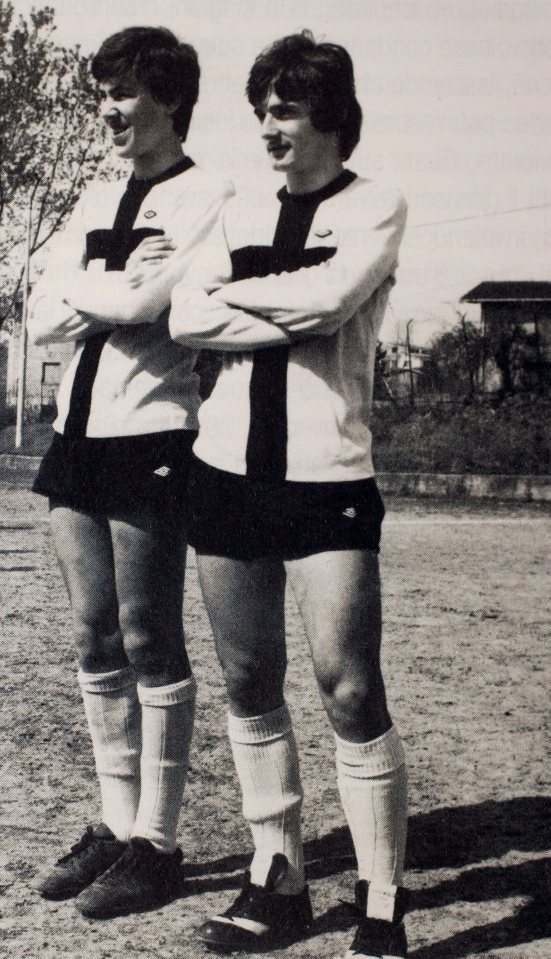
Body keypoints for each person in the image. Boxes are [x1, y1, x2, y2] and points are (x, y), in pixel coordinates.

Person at [170, 32, 409, 959]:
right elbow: (185, 313)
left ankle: (381, 899)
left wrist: (245, 301)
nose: (270, 129)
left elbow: (332, 303)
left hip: (326, 481)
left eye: (288, 111)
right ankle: (279, 876)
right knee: (246, 679)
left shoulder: (375, 204)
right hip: (225, 470)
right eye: (261, 111)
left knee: (348, 685)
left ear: (332, 118)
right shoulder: (234, 215)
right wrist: (273, 298)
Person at [27, 26, 233, 921]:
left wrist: (92, 286)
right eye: (103, 94)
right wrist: (99, 285)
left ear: (170, 99)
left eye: (123, 94)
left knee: (150, 634)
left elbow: (155, 306)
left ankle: (158, 840)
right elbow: (38, 312)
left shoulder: (208, 193)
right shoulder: (94, 193)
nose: (109, 112)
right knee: (92, 634)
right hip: (76, 432)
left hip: (152, 430)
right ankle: (115, 823)